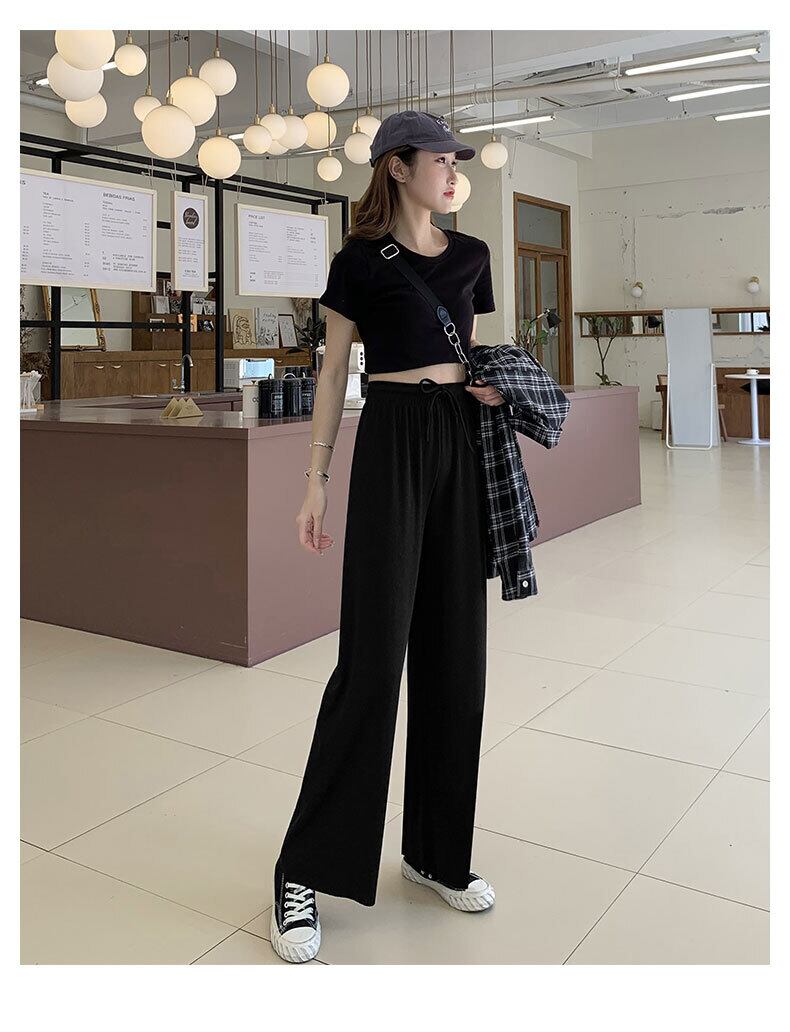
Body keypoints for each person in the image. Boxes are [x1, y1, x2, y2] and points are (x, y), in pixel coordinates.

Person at [270, 110, 504, 964]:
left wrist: (488, 388)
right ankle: (302, 870)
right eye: (442, 160)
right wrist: (315, 480)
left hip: (458, 441)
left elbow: (467, 352)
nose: (454, 172)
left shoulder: (471, 254)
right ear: (398, 168)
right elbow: (334, 369)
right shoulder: (359, 262)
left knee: (456, 654)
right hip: (393, 436)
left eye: (457, 161)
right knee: (371, 660)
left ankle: (436, 852)